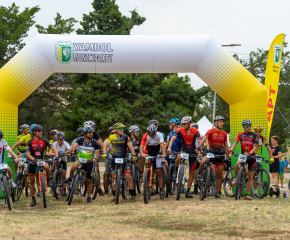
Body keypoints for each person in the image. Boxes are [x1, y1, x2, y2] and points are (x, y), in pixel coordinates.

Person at [167, 116, 202, 198]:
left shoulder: (195, 131)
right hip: (184, 151)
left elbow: (199, 141)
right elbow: (172, 139)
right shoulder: (180, 130)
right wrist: (169, 148)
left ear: (189, 123)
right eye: (182, 124)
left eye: (185, 124)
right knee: (178, 158)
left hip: (193, 152)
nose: (183, 125)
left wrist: (199, 150)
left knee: (191, 172)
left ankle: (188, 191)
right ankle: (176, 170)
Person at [102, 122, 138, 202]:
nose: (122, 130)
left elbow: (130, 146)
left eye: (123, 128)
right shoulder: (111, 137)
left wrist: (133, 155)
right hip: (114, 159)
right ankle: (115, 195)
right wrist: (104, 153)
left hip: (123, 159)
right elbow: (105, 145)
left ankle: (133, 195)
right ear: (116, 130)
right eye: (121, 129)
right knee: (114, 177)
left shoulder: (126, 137)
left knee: (128, 177)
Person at [65, 126, 101, 203]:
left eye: (92, 133)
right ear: (85, 134)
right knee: (74, 166)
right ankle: (70, 179)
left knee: (89, 180)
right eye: (89, 133)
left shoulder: (95, 142)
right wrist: (71, 150)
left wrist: (96, 158)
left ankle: (88, 197)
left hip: (89, 162)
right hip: (80, 160)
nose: (91, 134)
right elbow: (74, 147)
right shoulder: (80, 139)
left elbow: (98, 153)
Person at [26, 125, 58, 207]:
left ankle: (48, 179)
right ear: (34, 132)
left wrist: (56, 156)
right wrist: (34, 159)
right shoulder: (30, 141)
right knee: (32, 180)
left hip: (41, 160)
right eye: (39, 131)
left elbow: (53, 148)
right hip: (32, 161)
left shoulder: (44, 140)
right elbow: (27, 154)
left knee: (47, 167)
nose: (41, 132)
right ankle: (33, 199)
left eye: (41, 131)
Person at [198, 115, 229, 199]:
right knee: (202, 162)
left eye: (222, 121)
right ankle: (201, 176)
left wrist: (227, 157)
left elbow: (226, 146)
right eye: (220, 122)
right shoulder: (210, 131)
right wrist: (199, 147)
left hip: (220, 154)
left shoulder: (224, 133)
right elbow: (204, 139)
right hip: (211, 153)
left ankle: (217, 192)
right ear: (215, 123)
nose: (222, 123)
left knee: (219, 174)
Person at [229, 119, 258, 200]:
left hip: (251, 156)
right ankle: (235, 178)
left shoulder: (254, 135)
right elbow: (235, 143)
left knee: (250, 176)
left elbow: (255, 146)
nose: (249, 127)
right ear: (244, 127)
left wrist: (250, 153)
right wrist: (231, 149)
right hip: (243, 155)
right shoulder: (240, 134)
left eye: (250, 126)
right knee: (238, 163)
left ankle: (247, 195)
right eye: (248, 126)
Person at [140, 124, 167, 199]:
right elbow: (141, 146)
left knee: (158, 171)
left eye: (153, 135)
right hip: (149, 153)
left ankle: (161, 190)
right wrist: (142, 153)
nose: (151, 136)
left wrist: (164, 153)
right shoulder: (145, 135)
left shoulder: (159, 135)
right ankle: (148, 187)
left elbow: (162, 145)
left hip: (157, 153)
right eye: (150, 135)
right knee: (148, 169)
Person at [252, 125, 274, 196]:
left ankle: (255, 192)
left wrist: (271, 157)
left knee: (256, 174)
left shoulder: (262, 138)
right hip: (250, 154)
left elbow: (268, 148)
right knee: (248, 172)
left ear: (261, 132)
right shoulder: (251, 137)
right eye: (256, 131)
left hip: (257, 156)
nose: (257, 133)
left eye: (259, 131)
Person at [48, 131, 70, 196]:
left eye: (60, 140)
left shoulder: (66, 143)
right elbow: (49, 153)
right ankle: (52, 172)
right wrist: (56, 154)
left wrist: (66, 153)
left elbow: (70, 151)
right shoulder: (54, 144)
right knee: (55, 160)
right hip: (57, 159)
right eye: (57, 139)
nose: (59, 141)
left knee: (64, 176)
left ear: (63, 139)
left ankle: (64, 191)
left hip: (63, 160)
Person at [190, 122, 209, 194]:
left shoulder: (200, 134)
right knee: (194, 172)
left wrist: (207, 150)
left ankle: (205, 186)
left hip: (199, 154)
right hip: (193, 153)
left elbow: (206, 141)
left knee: (200, 171)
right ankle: (195, 189)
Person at [103, 126, 116, 195]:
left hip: (116, 158)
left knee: (116, 173)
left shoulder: (118, 139)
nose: (113, 134)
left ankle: (116, 188)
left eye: (114, 132)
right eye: (112, 133)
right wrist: (108, 152)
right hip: (109, 158)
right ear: (109, 133)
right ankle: (106, 189)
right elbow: (104, 148)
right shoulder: (107, 140)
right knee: (107, 174)